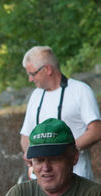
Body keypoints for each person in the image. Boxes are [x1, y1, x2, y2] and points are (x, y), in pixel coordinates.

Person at [19, 46, 101, 180]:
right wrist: (31, 153)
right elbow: (25, 134)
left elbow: (97, 130)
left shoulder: (80, 91)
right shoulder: (35, 95)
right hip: (41, 183)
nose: (30, 79)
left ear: (47, 69)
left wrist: (64, 151)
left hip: (76, 179)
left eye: (32, 74)